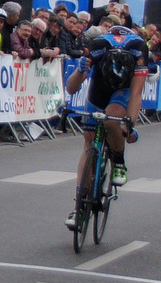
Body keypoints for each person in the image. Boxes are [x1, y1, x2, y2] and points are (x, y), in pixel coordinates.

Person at [63, 25, 147, 229]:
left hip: (123, 92)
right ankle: (79, 206)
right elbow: (71, 88)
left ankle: (118, 161)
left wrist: (128, 124)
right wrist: (80, 70)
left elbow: (136, 94)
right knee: (88, 144)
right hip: (98, 90)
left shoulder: (138, 50)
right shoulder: (97, 48)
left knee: (111, 119)